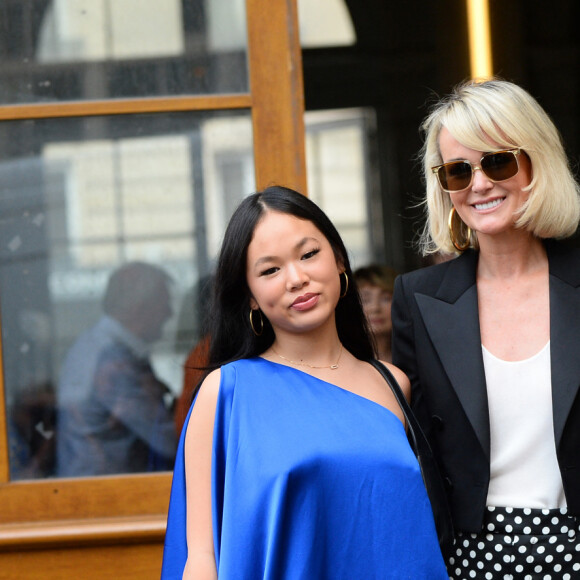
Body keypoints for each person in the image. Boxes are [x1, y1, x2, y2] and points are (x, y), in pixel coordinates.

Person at [161, 186, 448, 579]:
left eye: (309, 254)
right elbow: (200, 558)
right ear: (250, 298)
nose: (296, 279)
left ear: (340, 260)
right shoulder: (227, 391)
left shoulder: (393, 382)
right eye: (270, 270)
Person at [391, 78, 580, 578]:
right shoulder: (418, 299)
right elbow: (417, 450)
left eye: (497, 161)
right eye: (458, 171)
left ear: (536, 162)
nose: (478, 184)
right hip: (469, 561)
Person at [56, 262, 177, 476]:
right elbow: (168, 441)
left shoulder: (95, 344)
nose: (170, 313)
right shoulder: (114, 359)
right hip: (106, 492)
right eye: (164, 303)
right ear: (141, 307)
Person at [354, 264, 398, 362]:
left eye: (386, 298)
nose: (375, 308)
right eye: (364, 299)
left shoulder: (416, 357)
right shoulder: (344, 361)